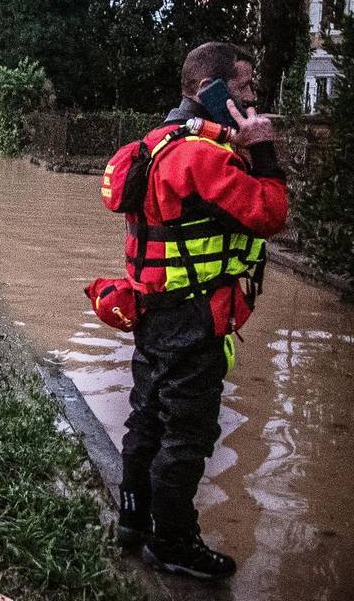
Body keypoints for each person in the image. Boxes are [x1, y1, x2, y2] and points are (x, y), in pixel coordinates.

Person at [116, 42, 287, 581]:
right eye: (244, 87)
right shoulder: (205, 155)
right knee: (186, 435)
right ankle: (173, 542)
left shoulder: (151, 145)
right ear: (209, 91)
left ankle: (133, 520)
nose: (254, 98)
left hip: (152, 309)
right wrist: (263, 151)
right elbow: (271, 213)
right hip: (195, 317)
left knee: (146, 416)